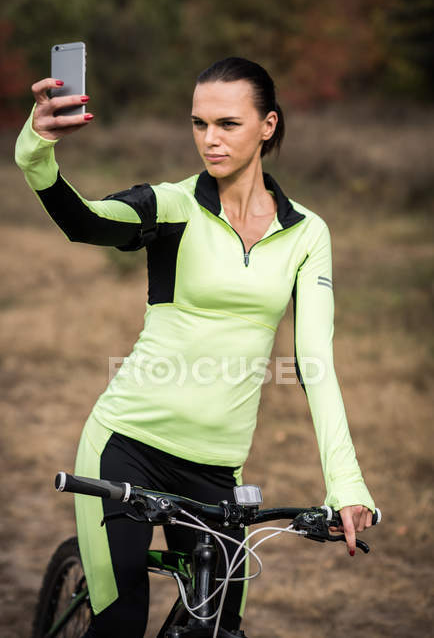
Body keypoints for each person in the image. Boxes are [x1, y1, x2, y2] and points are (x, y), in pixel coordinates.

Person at [15, 57, 375, 637]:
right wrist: (37, 151)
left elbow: (315, 364)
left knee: (217, 630)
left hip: (215, 472)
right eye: (198, 123)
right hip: (126, 446)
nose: (209, 140)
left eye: (228, 124)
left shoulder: (307, 233)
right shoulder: (173, 206)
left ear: (268, 125)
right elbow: (86, 222)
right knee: (121, 621)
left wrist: (347, 486)